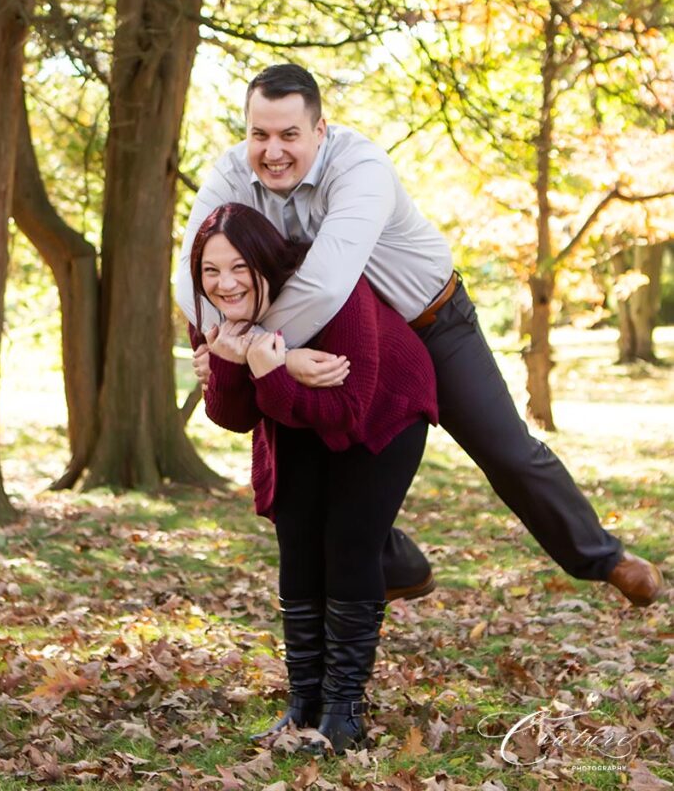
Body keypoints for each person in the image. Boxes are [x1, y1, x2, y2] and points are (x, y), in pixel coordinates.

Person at [176, 63, 664, 609]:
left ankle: (602, 557)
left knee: (506, 449)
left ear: (320, 130)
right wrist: (232, 345)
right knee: (327, 478)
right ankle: (395, 563)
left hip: (431, 326)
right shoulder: (231, 174)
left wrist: (253, 351)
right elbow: (188, 278)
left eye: (290, 134)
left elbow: (324, 284)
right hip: (335, 340)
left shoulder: (360, 169)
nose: (273, 151)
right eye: (259, 134)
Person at [189, 203, 438, 753]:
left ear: (264, 262)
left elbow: (346, 412)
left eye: (238, 267)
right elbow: (231, 415)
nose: (224, 284)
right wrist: (237, 360)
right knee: (297, 536)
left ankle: (344, 714)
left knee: (348, 543)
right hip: (294, 410)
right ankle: (303, 704)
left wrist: (267, 367)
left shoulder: (328, 287)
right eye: (210, 270)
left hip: (381, 406)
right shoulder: (207, 311)